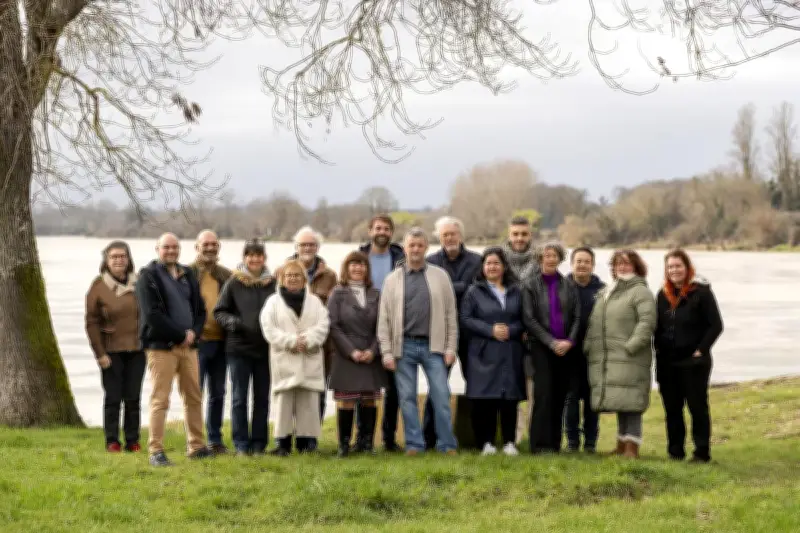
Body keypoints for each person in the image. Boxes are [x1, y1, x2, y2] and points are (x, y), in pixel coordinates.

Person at [378, 227, 459, 456]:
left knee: (441, 395)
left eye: (420, 245)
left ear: (426, 248)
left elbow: (450, 315)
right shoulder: (392, 279)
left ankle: (447, 444)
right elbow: (384, 319)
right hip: (403, 346)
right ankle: (414, 444)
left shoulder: (440, 276)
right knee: (407, 398)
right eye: (411, 245)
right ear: (404, 248)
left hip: (434, 346)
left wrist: (451, 347)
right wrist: (386, 352)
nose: (415, 249)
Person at [136, 233, 212, 467]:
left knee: (194, 397)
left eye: (175, 247)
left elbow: (200, 310)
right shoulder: (148, 276)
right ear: (157, 249)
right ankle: (156, 451)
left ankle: (197, 447)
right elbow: (152, 315)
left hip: (189, 348)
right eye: (166, 247)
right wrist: (180, 335)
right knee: (160, 399)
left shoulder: (187, 274)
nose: (171, 251)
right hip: (162, 348)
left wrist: (194, 333)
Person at [585, 249, 657, 459]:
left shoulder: (640, 291)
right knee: (621, 400)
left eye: (626, 263)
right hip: (610, 357)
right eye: (618, 264)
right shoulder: (608, 292)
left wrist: (632, 346)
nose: (622, 267)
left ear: (636, 266)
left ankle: (632, 448)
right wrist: (589, 345)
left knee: (632, 402)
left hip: (630, 356)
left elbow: (647, 322)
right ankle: (621, 445)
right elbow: (594, 323)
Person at [655, 249, 723, 463]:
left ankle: (701, 452)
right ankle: (675, 452)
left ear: (687, 268)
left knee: (697, 407)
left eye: (678, 266)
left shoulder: (701, 293)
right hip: (667, 361)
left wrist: (701, 349)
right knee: (672, 409)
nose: (674, 270)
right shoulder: (662, 295)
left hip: (694, 361)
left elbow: (716, 325)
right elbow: (657, 327)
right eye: (670, 267)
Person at [213, 239, 277, 456]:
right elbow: (219, 312)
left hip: (265, 349)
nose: (254, 259)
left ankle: (259, 444)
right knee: (239, 398)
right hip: (238, 349)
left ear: (264, 258)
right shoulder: (233, 282)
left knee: (262, 398)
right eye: (250, 255)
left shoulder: (273, 284)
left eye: (259, 255)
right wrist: (235, 323)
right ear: (244, 258)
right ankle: (241, 444)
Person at [260, 260, 330, 456]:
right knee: (283, 402)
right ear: (282, 278)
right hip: (285, 359)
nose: (293, 278)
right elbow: (268, 328)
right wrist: (290, 341)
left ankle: (307, 443)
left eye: (297, 275)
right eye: (289, 275)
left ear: (304, 279)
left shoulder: (315, 302)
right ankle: (282, 444)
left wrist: (307, 340)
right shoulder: (272, 302)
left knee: (308, 403)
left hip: (309, 356)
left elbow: (323, 325)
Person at [423, 216, 481, 449]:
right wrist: (461, 287)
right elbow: (429, 293)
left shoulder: (477, 261)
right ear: (439, 237)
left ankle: (479, 439)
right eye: (445, 234)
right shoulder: (430, 262)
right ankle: (428, 439)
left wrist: (446, 288)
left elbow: (477, 292)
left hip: (470, 332)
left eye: (453, 234)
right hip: (441, 332)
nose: (449, 238)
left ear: (461, 235)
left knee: (476, 384)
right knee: (437, 386)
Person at [460, 247, 525, 456]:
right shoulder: (474, 291)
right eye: (488, 263)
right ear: (482, 267)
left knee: (509, 399)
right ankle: (485, 443)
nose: (492, 267)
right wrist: (490, 330)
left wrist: (511, 330)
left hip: (510, 350)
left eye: (496, 263)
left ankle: (509, 443)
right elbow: (465, 319)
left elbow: (524, 319)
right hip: (483, 351)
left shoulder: (516, 291)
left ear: (504, 267)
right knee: (484, 399)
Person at [85, 240, 144, 453]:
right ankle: (112, 441)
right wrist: (99, 353)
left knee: (133, 398)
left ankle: (132, 441)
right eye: (114, 257)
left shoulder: (139, 283)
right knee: (113, 398)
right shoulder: (98, 286)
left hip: (137, 350)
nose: (119, 260)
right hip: (110, 352)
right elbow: (92, 323)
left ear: (129, 259)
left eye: (122, 256)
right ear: (106, 261)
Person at [521, 241, 580, 453]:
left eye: (555, 255)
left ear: (560, 258)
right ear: (540, 259)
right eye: (547, 255)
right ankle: (538, 444)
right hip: (541, 346)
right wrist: (550, 342)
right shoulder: (530, 285)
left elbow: (577, 317)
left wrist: (569, 341)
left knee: (560, 395)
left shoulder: (569, 285)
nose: (551, 259)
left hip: (565, 349)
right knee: (543, 395)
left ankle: (555, 444)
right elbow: (529, 319)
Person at [327, 251, 387, 457]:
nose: (357, 268)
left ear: (367, 269)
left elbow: (383, 326)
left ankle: (366, 444)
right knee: (347, 400)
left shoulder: (376, 294)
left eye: (361, 264)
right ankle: (344, 446)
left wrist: (373, 350)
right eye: (353, 264)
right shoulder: (337, 293)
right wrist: (351, 351)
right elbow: (333, 325)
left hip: (371, 353)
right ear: (346, 268)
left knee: (370, 399)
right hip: (346, 354)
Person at [359, 214, 405, 452]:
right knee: (364, 386)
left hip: (394, 326)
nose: (382, 232)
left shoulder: (400, 258)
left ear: (391, 233)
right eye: (378, 228)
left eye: (386, 229)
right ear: (370, 231)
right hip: (365, 327)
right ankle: (363, 438)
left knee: (394, 387)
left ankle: (389, 438)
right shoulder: (359, 257)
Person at [282, 226, 337, 420]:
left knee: (317, 393)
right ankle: (290, 432)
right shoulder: (282, 272)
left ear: (317, 247)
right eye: (303, 244)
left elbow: (333, 312)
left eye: (311, 244)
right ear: (296, 246)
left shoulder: (330, 276)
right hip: (290, 344)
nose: (307, 248)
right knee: (290, 393)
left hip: (319, 345)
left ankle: (313, 433)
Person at [189, 230, 232, 454]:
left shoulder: (226, 275)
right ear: (197, 247)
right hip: (197, 343)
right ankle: (195, 440)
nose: (210, 248)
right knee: (195, 393)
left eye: (214, 244)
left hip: (222, 343)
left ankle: (215, 439)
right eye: (205, 244)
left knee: (218, 393)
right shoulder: (187, 273)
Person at [564, 246, 605, 453]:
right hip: (569, 353)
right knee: (570, 398)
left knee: (592, 400)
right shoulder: (561, 287)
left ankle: (590, 442)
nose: (582, 265)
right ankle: (572, 442)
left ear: (593, 265)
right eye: (578, 261)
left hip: (594, 354)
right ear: (572, 264)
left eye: (586, 261)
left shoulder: (603, 291)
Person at [501, 215, 539, 442]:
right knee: (511, 388)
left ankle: (534, 436)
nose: (519, 238)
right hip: (508, 334)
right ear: (509, 235)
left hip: (534, 335)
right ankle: (513, 437)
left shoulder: (540, 260)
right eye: (515, 234)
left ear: (530, 235)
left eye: (524, 234)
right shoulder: (499, 261)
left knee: (534, 389)